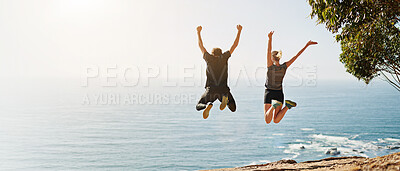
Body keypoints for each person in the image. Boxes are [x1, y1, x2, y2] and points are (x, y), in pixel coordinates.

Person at [264, 31, 317, 124]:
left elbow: (268, 51)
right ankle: (287, 106)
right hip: (279, 93)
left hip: (269, 92)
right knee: (276, 120)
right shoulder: (284, 67)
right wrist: (306, 45)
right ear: (279, 58)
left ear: (272, 58)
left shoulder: (270, 66)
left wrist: (270, 38)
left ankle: (273, 106)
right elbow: (296, 56)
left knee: (267, 120)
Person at [195, 25, 242, 119]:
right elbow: (235, 45)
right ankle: (226, 100)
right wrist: (239, 31)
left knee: (198, 105)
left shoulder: (208, 58)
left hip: (211, 90)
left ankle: (206, 105)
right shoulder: (224, 57)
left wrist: (198, 32)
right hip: (223, 90)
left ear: (212, 53)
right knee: (233, 107)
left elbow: (200, 45)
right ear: (221, 53)